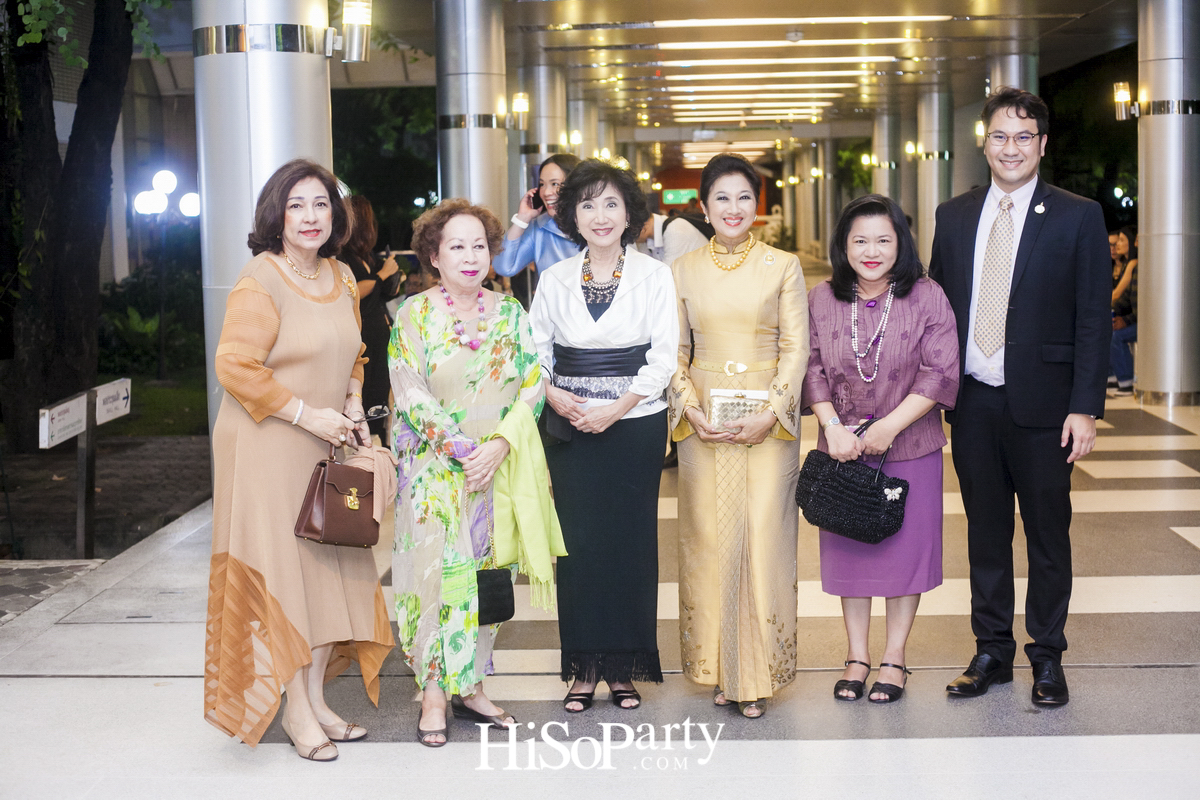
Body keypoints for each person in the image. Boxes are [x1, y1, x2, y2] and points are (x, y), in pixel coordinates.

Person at [205, 158, 394, 761]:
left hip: (327, 438)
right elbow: (235, 367)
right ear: (276, 216)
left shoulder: (341, 276)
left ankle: (314, 699)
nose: (312, 216)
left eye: (321, 205)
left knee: (322, 572)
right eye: (298, 205)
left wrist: (352, 406)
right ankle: (294, 709)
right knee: (286, 572)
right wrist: (305, 414)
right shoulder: (260, 277)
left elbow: (355, 354)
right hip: (267, 441)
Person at [929, 87, 1110, 707]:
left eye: (1024, 137)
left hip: (1046, 407)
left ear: (1042, 145)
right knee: (983, 531)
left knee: (1047, 534)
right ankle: (991, 651)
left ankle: (1048, 656)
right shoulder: (953, 216)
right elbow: (936, 310)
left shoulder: (1077, 215)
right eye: (1001, 136)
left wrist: (1084, 406)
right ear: (984, 141)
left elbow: (1093, 316)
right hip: (973, 402)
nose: (1011, 148)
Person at [390, 199, 553, 747]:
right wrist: (463, 450)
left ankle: (474, 683)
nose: (469, 255)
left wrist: (500, 446)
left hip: (495, 471)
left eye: (478, 245)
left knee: (488, 580)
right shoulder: (413, 315)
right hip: (437, 472)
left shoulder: (510, 314)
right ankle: (434, 689)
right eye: (455, 246)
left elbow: (533, 383)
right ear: (433, 256)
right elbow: (409, 389)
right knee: (439, 578)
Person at [529, 159, 678, 712]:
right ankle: (583, 666)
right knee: (579, 547)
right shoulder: (554, 278)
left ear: (629, 213)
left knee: (630, 544)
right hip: (568, 427)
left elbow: (663, 358)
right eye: (587, 204)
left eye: (611, 203)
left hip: (634, 425)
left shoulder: (655, 275)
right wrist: (551, 394)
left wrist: (617, 409)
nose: (600, 215)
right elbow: (535, 351)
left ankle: (624, 667)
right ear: (571, 215)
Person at [802, 194, 959, 703]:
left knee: (903, 554)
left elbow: (941, 370)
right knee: (850, 551)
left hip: (911, 445)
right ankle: (855, 655)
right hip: (843, 447)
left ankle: (894, 657)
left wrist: (890, 426)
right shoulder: (822, 297)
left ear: (901, 244)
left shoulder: (928, 295)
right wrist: (831, 427)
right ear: (843, 246)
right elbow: (812, 368)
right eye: (860, 240)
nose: (871, 251)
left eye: (883, 240)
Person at [669, 153, 809, 719]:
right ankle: (722, 670)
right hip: (703, 421)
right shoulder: (681, 270)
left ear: (759, 206)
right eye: (721, 198)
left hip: (766, 426)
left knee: (762, 540)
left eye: (744, 198)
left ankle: (757, 674)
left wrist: (773, 410)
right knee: (710, 542)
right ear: (704, 206)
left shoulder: (783, 266)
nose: (733, 208)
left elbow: (797, 349)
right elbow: (674, 351)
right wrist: (689, 406)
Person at [343, 195, 406, 439]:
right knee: (365, 389)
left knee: (380, 390)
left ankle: (380, 439)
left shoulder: (369, 257)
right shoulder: (343, 259)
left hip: (380, 337)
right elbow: (353, 292)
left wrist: (391, 278)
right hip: (362, 337)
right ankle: (363, 440)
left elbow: (383, 295)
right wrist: (381, 275)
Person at [494, 154, 583, 307]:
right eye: (542, 184)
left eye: (555, 184)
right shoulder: (540, 227)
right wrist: (522, 219)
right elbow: (504, 267)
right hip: (552, 324)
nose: (546, 192)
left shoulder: (599, 226)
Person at [1110, 228, 1138, 396]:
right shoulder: (1128, 266)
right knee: (1105, 326)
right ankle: (1112, 376)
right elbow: (1125, 299)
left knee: (1114, 334)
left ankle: (1125, 381)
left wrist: (1125, 320)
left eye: (1120, 241)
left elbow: (1120, 296)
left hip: (1138, 320)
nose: (1116, 246)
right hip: (1132, 316)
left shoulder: (1134, 264)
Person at [636, 210, 711, 268]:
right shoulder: (648, 239)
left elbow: (667, 275)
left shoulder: (674, 229)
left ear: (644, 226)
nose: (629, 237)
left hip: (705, 282)